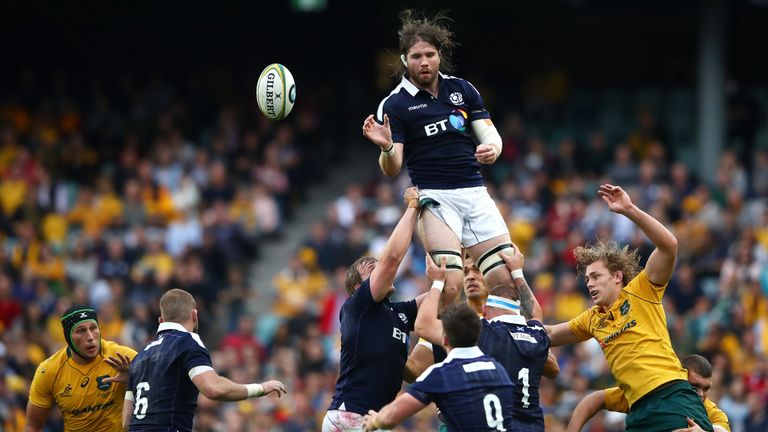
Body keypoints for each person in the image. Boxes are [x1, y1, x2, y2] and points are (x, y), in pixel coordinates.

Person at [362, 9, 514, 306]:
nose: (424, 61)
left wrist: (493, 149)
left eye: (429, 54)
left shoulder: (463, 89)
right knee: (450, 284)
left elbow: (490, 134)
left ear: (439, 55)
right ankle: (432, 350)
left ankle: (498, 349)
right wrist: (386, 148)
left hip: (475, 193)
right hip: (435, 197)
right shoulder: (395, 104)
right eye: (416, 56)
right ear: (405, 60)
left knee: (505, 281)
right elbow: (392, 169)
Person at [545, 184, 713, 432]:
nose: (589, 283)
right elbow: (547, 334)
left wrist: (629, 209)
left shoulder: (641, 291)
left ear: (617, 276)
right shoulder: (592, 319)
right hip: (637, 411)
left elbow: (669, 246)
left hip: (671, 398)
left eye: (595, 276)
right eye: (587, 279)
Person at [416, 248, 557, 431]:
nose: (470, 277)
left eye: (476, 270)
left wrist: (437, 282)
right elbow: (536, 315)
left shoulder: (479, 331)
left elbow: (423, 325)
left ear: (485, 311)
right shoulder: (534, 334)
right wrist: (517, 273)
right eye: (465, 272)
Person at [323, 187, 428, 431]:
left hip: (373, 421)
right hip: (349, 417)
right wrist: (413, 207)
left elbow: (439, 297)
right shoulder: (357, 306)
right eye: (371, 268)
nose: (379, 267)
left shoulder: (398, 312)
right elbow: (392, 258)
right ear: (359, 287)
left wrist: (449, 263)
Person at [123, 288, 287, 431]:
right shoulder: (187, 341)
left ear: (161, 321)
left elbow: (126, 421)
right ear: (194, 315)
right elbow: (213, 388)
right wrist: (259, 388)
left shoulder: (140, 356)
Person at [362, 302, 515, 431]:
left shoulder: (443, 375)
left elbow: (391, 416)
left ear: (444, 339)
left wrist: (374, 421)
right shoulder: (499, 369)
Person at [25, 304, 136, 431]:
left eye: (93, 328)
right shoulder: (49, 370)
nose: (90, 337)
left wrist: (133, 381)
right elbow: (32, 426)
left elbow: (157, 396)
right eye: (81, 331)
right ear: (68, 337)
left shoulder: (123, 357)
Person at [567, 354, 731, 432]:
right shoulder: (653, 390)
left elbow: (721, 430)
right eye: (694, 386)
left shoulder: (713, 412)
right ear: (679, 377)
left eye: (706, 388)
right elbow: (595, 399)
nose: (701, 394)